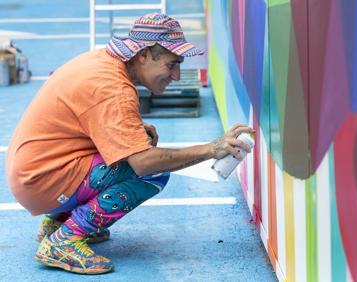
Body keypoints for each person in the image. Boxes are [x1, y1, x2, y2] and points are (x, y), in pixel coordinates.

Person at [5, 13, 254, 274]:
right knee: (153, 171)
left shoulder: (102, 62)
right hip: (41, 181)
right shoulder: (114, 89)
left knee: (140, 140)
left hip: (32, 172)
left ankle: (57, 221)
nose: (177, 76)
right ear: (144, 55)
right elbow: (144, 164)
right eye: (172, 64)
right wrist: (211, 149)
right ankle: (63, 240)